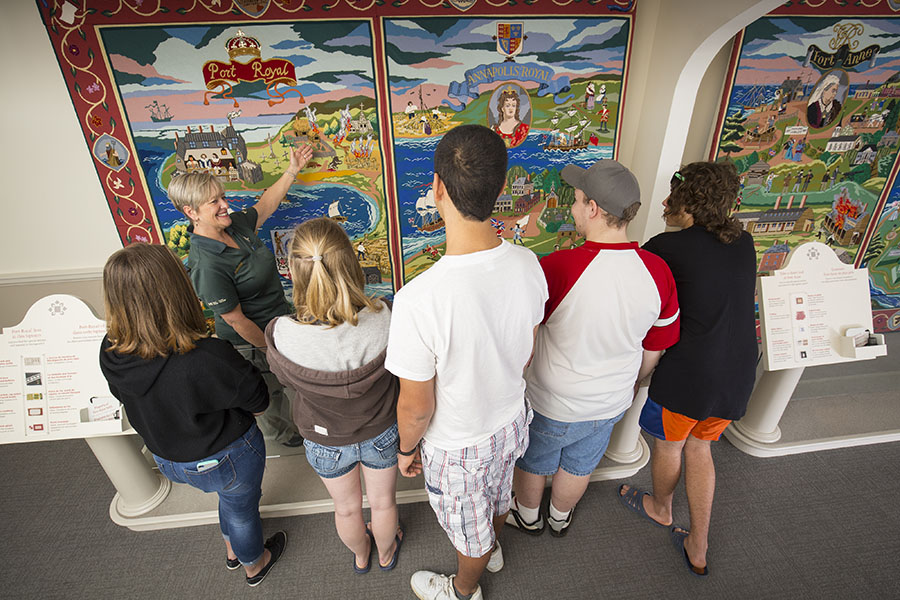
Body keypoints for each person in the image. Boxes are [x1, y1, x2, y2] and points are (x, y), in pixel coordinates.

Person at [386, 124, 548, 600]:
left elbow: (416, 408)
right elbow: (527, 352)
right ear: (499, 188)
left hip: (457, 443)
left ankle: (462, 591)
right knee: (499, 496)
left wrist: (404, 450)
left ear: (437, 188)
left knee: (468, 532)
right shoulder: (529, 265)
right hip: (511, 420)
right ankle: (492, 548)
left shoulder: (418, 300)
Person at [505, 160, 680, 539]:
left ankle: (530, 517)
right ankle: (560, 518)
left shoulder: (558, 267)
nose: (572, 207)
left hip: (554, 401)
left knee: (533, 462)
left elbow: (525, 337)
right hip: (611, 402)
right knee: (580, 466)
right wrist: (633, 384)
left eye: (577, 199)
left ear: (594, 209)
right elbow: (655, 348)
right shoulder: (658, 271)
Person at [98, 243, 286, 587]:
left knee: (228, 499)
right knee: (242, 509)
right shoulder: (208, 356)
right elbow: (258, 402)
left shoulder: (110, 349)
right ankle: (254, 563)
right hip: (227, 456)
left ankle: (232, 552)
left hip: (168, 458)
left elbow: (123, 394)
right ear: (176, 290)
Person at [618, 161, 757, 579]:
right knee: (701, 448)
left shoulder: (666, 247)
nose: (664, 203)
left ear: (690, 203)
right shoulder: (744, 242)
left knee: (670, 446)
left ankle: (662, 508)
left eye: (672, 197)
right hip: (737, 378)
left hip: (688, 377)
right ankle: (699, 542)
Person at [264, 218, 402, 575]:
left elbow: (282, 378)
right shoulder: (387, 316)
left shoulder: (282, 334)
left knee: (346, 510)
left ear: (294, 274)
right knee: (384, 503)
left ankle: (361, 557)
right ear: (352, 266)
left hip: (323, 438)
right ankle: (386, 555)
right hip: (381, 431)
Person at [167, 144, 313, 448]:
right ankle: (283, 438)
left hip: (278, 324)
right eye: (213, 202)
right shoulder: (207, 263)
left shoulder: (234, 228)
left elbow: (265, 206)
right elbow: (235, 320)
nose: (224, 205)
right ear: (190, 212)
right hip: (251, 340)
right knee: (269, 393)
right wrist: (270, 350)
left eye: (222, 197)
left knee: (297, 382)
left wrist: (292, 169)